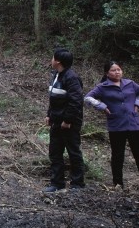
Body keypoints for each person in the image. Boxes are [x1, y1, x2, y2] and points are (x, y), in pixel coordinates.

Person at [84, 60, 139, 195]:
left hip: (134, 124)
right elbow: (88, 98)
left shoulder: (130, 84)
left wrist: (138, 104)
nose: (117, 72)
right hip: (116, 125)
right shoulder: (103, 87)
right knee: (118, 156)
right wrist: (102, 107)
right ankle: (118, 184)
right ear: (107, 73)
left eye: (119, 69)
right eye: (113, 70)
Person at [44, 48, 85, 192]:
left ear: (58, 61)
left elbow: (76, 101)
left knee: (73, 152)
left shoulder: (72, 77)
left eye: (52, 57)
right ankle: (57, 183)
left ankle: (77, 183)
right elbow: (53, 98)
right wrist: (49, 114)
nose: (51, 60)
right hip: (56, 121)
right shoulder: (56, 75)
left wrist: (67, 121)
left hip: (69, 124)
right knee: (55, 152)